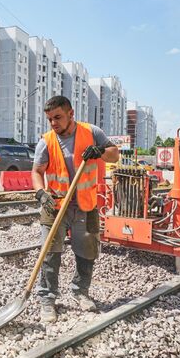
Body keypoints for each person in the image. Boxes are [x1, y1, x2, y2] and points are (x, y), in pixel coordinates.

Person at [32, 96, 119, 323]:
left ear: (71, 114)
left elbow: (115, 154)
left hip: (87, 205)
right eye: (50, 119)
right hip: (55, 206)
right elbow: (37, 172)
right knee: (49, 254)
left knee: (87, 252)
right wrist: (41, 193)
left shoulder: (92, 132)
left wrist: (99, 151)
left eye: (58, 117)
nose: (53, 123)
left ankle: (81, 292)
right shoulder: (46, 141)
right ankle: (47, 299)